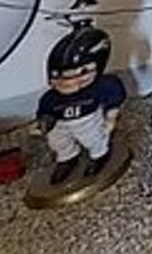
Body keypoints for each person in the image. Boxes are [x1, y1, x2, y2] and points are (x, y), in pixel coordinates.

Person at [36, 25, 125, 186]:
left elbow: (114, 95)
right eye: (59, 74)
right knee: (57, 140)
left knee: (93, 138)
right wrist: (45, 119)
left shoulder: (100, 87)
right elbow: (46, 107)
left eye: (80, 72)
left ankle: (99, 155)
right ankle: (67, 157)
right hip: (60, 122)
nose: (67, 81)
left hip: (87, 119)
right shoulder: (52, 97)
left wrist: (111, 115)